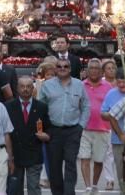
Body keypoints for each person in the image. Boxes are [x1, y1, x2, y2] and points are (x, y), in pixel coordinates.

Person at [37, 55, 89, 195]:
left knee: (71, 163)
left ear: (70, 69)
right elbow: (40, 109)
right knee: (54, 166)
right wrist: (43, 130)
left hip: (73, 131)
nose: (62, 69)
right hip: (53, 131)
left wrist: (81, 126)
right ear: (55, 69)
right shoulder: (47, 85)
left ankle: (69, 192)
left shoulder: (79, 85)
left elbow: (85, 107)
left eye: (65, 66)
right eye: (59, 67)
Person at [6, 76, 50, 195]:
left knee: (34, 188)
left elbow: (49, 128)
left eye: (28, 86)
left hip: (34, 153)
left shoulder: (41, 107)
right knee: (14, 189)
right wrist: (9, 157)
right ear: (17, 88)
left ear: (33, 88)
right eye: (22, 86)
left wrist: (46, 136)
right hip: (15, 154)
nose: (25, 89)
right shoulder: (8, 107)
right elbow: (5, 132)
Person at [78, 59, 111, 195]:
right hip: (84, 128)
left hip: (102, 128)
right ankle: (87, 187)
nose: (94, 70)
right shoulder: (80, 85)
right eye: (91, 68)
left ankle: (95, 184)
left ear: (101, 71)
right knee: (84, 157)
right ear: (87, 70)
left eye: (97, 68)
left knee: (98, 160)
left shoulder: (108, 87)